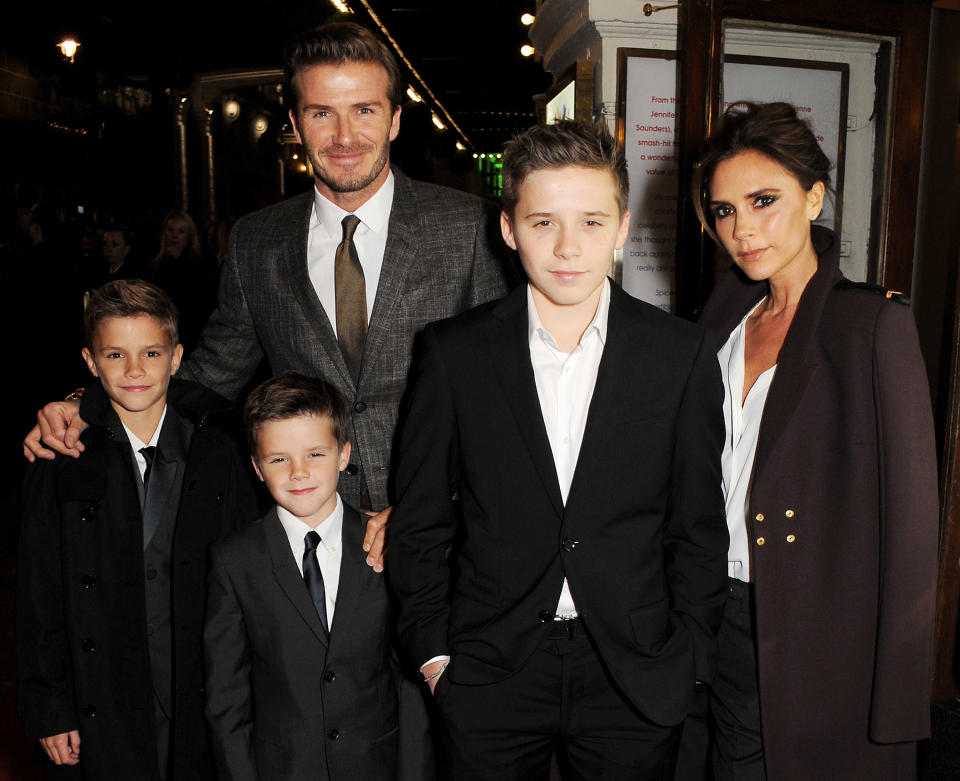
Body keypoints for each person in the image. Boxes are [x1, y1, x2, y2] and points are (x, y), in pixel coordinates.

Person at [23, 21, 512, 570]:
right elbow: (211, 374)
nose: (344, 136)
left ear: (396, 119)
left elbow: (502, 392)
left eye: (365, 110)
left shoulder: (469, 228)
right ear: (295, 124)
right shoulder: (258, 240)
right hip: (314, 535)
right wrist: (83, 404)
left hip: (445, 535)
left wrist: (428, 506)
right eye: (321, 112)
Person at [388, 120, 728, 779]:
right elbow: (422, 517)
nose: (569, 247)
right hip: (488, 669)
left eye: (592, 222)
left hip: (634, 670)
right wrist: (433, 655)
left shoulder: (680, 355)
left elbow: (697, 527)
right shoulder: (454, 353)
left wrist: (686, 658)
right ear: (509, 228)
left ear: (624, 228)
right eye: (544, 222)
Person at [692, 101, 939, 780]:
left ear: (815, 196)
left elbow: (914, 532)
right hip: (708, 609)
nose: (742, 229)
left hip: (813, 626)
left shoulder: (869, 327)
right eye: (723, 211)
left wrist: (898, 705)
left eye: (763, 200)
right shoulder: (720, 318)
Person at [16, 280, 258, 780]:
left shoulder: (221, 447)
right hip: (102, 683)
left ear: (176, 357)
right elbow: (39, 589)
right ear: (90, 361)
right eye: (114, 354)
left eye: (151, 352)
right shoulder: (61, 456)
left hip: (200, 677)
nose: (134, 371)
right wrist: (50, 704)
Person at [204, 371, 432, 781]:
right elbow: (226, 698)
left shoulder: (386, 544)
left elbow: (409, 681)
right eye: (278, 459)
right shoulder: (234, 561)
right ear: (256, 467)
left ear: (344, 454)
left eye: (315, 454)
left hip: (375, 764)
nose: (298, 472)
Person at [149, 210, 217, 354]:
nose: (174, 236)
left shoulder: (201, 263)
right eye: (171, 230)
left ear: (189, 235)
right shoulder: (155, 263)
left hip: (191, 332)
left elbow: (198, 300)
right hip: (161, 330)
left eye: (181, 231)